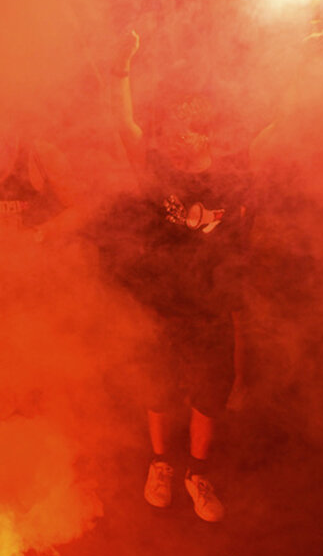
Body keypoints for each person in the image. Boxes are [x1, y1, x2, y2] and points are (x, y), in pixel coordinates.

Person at [106, 31, 249, 523]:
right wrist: (121, 70)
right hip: (160, 304)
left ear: (206, 133)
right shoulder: (155, 172)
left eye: (184, 128)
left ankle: (197, 474)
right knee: (157, 388)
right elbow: (125, 126)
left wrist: (313, 53)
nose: (172, 136)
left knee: (210, 395)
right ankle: (161, 465)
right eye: (170, 128)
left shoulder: (231, 176)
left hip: (211, 308)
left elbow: (283, 126)